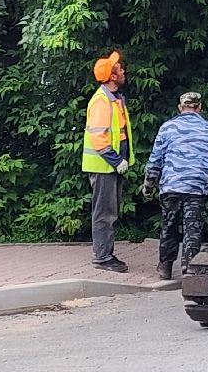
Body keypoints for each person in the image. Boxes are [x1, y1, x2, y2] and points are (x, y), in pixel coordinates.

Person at [143, 91, 208, 279]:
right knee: (192, 228)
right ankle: (189, 269)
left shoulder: (167, 128)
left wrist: (149, 183)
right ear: (200, 107)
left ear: (180, 108)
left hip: (171, 186)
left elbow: (155, 159)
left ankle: (165, 267)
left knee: (169, 225)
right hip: (197, 187)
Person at [82, 51, 134, 273]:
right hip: (104, 166)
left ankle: (106, 254)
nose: (123, 71)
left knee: (108, 212)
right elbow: (99, 137)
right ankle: (102, 257)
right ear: (112, 77)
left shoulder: (113, 100)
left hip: (110, 166)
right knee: (104, 213)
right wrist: (116, 160)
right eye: (119, 69)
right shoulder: (102, 101)